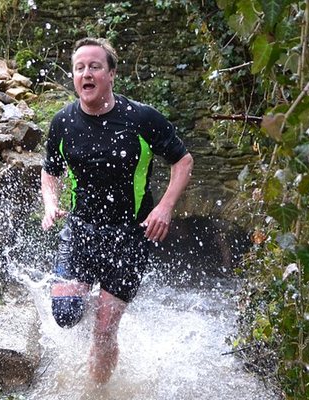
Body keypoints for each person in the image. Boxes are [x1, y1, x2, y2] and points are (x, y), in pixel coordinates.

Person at [40, 37, 194, 384]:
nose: (86, 73)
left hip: (129, 237)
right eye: (79, 68)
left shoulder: (141, 119)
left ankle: (97, 389)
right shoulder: (63, 122)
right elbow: (50, 171)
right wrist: (51, 203)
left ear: (111, 74)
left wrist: (165, 208)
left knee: (104, 333)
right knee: (65, 315)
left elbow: (183, 161)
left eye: (94, 66)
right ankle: (93, 303)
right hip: (80, 231)